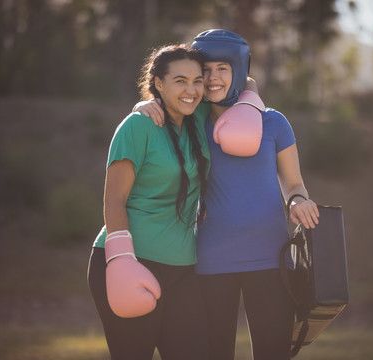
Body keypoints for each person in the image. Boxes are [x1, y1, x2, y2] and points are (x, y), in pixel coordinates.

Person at [135, 29, 320, 360]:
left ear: (238, 69)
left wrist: (298, 201)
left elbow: (294, 184)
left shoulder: (274, 122)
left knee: (274, 353)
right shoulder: (191, 122)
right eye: (205, 69)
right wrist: (144, 104)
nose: (213, 77)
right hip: (210, 262)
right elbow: (159, 108)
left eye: (223, 67)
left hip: (270, 260)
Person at [87, 44, 211, 360]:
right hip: (129, 261)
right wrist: (122, 261)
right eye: (180, 80)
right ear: (158, 83)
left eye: (198, 81)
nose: (192, 89)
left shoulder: (198, 120)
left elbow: (245, 83)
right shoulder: (137, 126)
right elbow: (113, 200)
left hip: (182, 268)